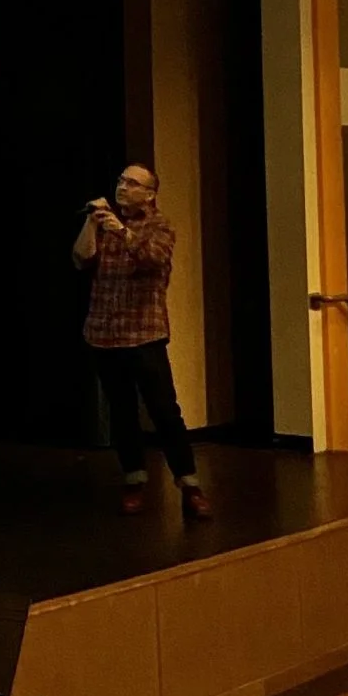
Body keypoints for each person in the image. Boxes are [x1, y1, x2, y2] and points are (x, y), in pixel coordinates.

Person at [72, 164, 211, 520]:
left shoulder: (159, 226)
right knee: (121, 412)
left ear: (149, 194)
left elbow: (153, 258)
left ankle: (189, 484)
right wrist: (92, 221)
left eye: (132, 183)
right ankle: (134, 479)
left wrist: (121, 232)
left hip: (144, 334)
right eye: (120, 180)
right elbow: (80, 259)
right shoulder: (104, 225)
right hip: (104, 334)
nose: (123, 187)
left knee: (165, 411)